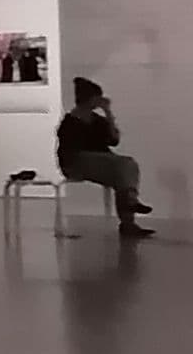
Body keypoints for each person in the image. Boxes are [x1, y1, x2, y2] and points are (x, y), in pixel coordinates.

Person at [55, 78, 153, 236]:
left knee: (125, 170)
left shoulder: (98, 121)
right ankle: (129, 210)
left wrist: (108, 113)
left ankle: (129, 214)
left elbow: (114, 140)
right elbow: (72, 152)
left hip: (100, 162)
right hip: (76, 163)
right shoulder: (70, 122)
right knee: (122, 166)